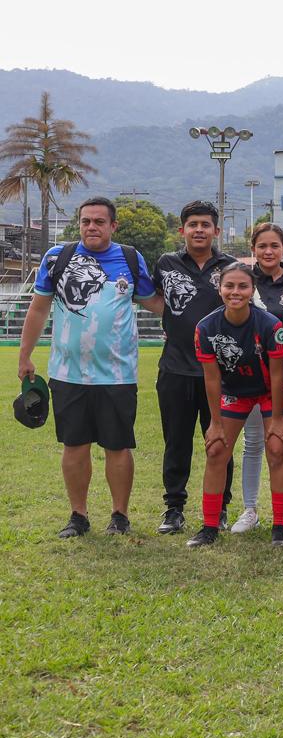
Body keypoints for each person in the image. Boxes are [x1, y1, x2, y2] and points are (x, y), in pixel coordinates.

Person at [18, 197, 161, 538]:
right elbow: (38, 310)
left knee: (118, 445)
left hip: (117, 374)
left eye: (99, 221)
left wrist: (202, 318)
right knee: (75, 445)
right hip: (68, 373)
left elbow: (155, 304)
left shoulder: (130, 259)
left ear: (113, 226)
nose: (91, 227)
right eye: (86, 221)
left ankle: (119, 516)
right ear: (78, 224)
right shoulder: (57, 258)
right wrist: (25, 356)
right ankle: (78, 516)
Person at [189, 263, 283, 548]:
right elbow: (211, 379)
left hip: (269, 391)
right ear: (220, 289)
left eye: (243, 286)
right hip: (234, 390)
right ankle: (209, 526)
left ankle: (280, 527)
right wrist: (215, 422)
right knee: (216, 450)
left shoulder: (269, 324)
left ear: (252, 290)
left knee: (276, 448)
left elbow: (276, 374)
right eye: (229, 286)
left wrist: (280, 420)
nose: (236, 292)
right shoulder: (206, 327)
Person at [152, 200, 237, 534]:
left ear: (216, 230)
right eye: (193, 224)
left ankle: (222, 507)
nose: (199, 230)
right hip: (174, 368)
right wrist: (171, 320)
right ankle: (174, 508)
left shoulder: (231, 267)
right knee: (176, 441)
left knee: (221, 443)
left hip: (222, 373)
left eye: (205, 224)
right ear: (182, 230)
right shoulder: (165, 263)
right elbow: (152, 296)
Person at [229, 223, 283, 535]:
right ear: (254, 249)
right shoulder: (244, 281)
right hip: (248, 374)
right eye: (262, 246)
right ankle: (250, 509)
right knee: (253, 443)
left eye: (274, 245)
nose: (268, 251)